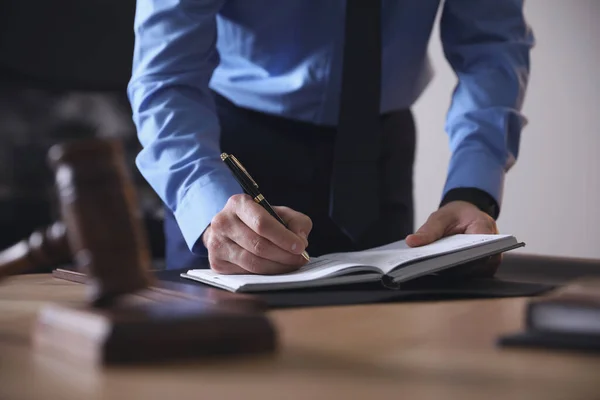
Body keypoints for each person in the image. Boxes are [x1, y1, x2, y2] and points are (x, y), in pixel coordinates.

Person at [127, 1, 534, 275]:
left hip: (378, 157)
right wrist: (207, 199)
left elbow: (491, 46)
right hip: (229, 163)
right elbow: (165, 77)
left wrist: (472, 190)